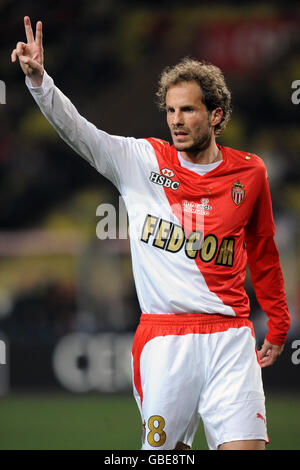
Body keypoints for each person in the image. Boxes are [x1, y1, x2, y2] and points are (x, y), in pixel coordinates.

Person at [11, 17, 290, 451]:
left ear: (216, 115)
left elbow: (264, 250)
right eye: (171, 110)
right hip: (165, 341)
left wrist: (277, 323)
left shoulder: (250, 172)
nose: (176, 120)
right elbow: (80, 132)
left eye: (188, 110)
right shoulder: (142, 161)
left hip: (231, 338)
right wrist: (39, 82)